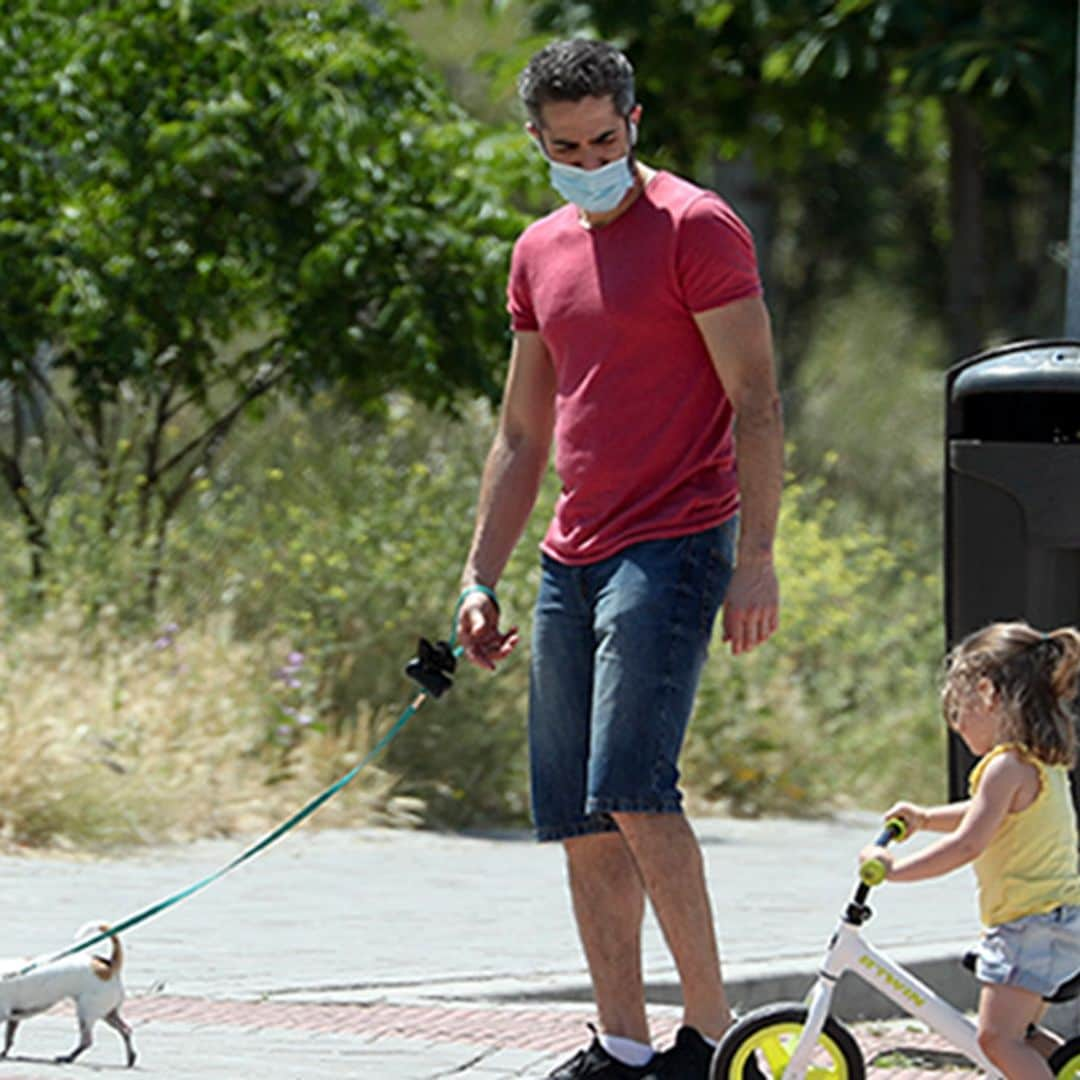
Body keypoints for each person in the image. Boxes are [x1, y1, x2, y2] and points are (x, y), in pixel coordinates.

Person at [454, 38, 783, 1080]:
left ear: (633, 124)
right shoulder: (538, 251)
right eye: (565, 144)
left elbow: (759, 403)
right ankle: (624, 1045)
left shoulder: (697, 228)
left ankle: (707, 1038)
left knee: (637, 789)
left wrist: (758, 557)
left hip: (677, 539)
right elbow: (519, 434)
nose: (587, 157)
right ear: (537, 142)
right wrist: (479, 575)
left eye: (604, 138)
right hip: (570, 556)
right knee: (581, 815)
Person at [860, 621, 1080, 1080]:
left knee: (995, 1040)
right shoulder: (1034, 761)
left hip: (1030, 927)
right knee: (1023, 1037)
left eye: (958, 711)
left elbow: (968, 844)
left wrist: (893, 870)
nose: (957, 726)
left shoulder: (1004, 767)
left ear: (987, 693)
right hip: (1050, 919)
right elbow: (981, 816)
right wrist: (922, 818)